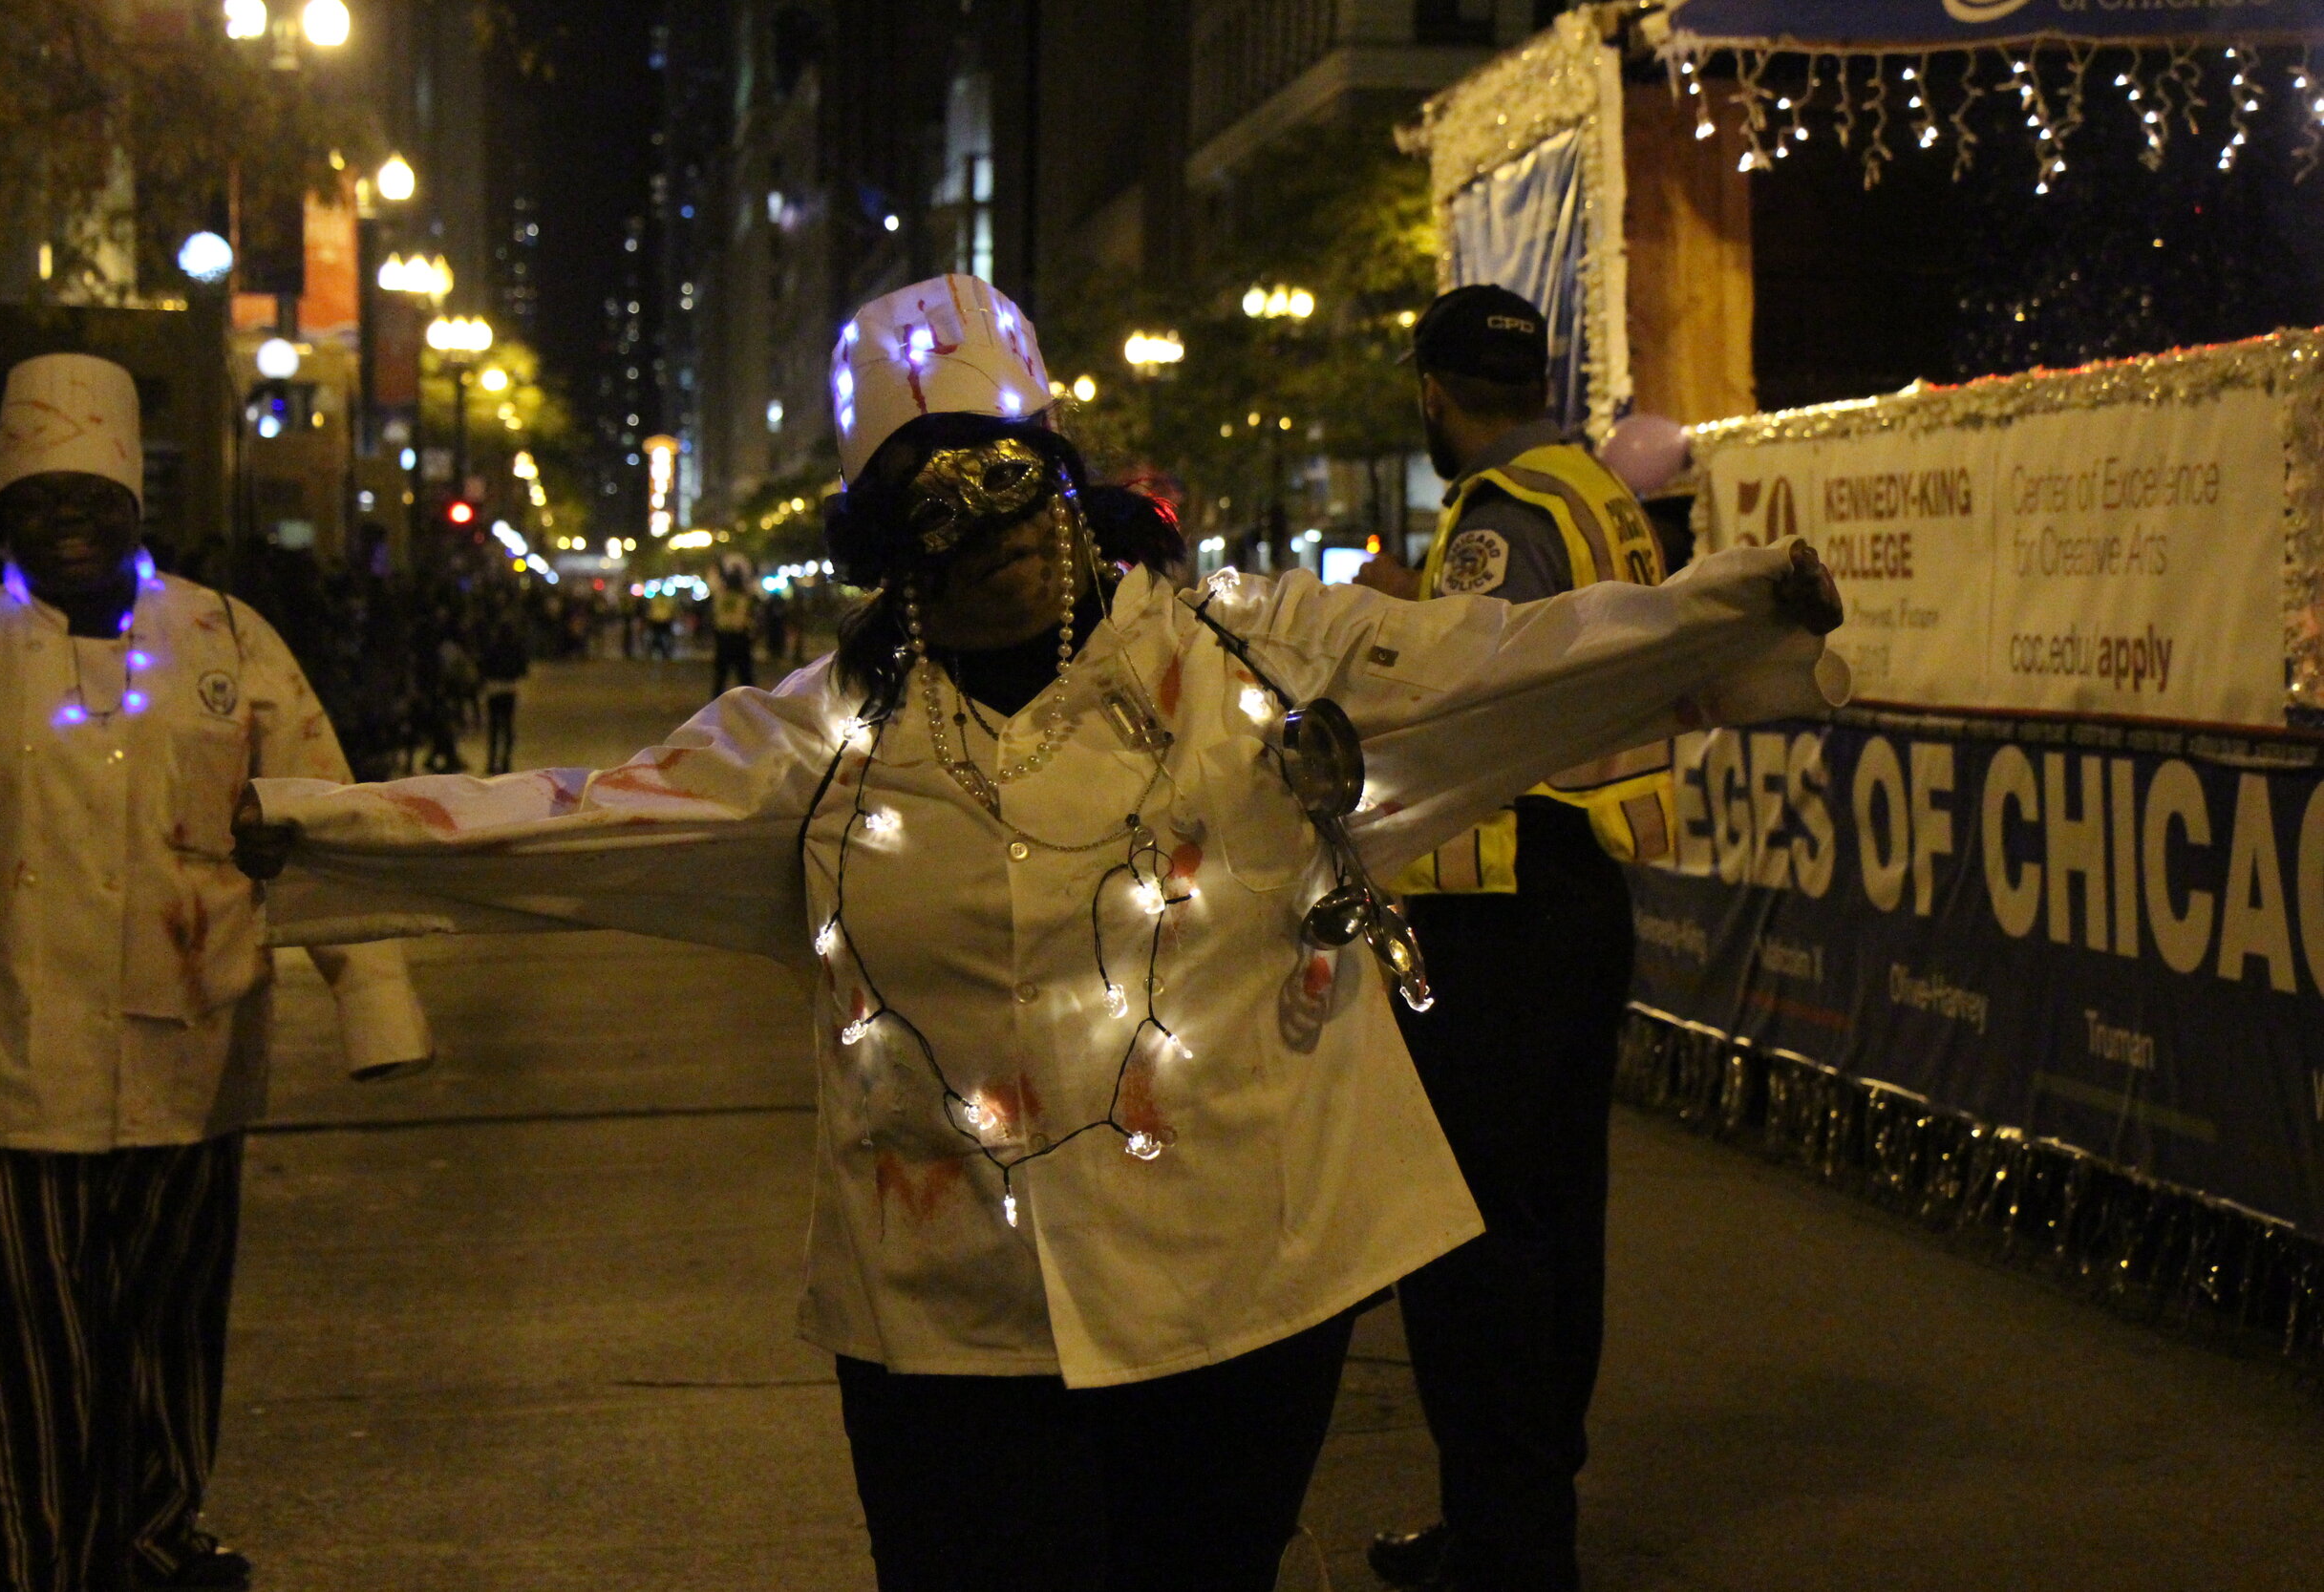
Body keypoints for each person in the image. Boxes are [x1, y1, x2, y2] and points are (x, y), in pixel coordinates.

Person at [230, 277, 1844, 1592]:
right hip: (944, 1310)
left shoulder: (1257, 662)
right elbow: (572, 818)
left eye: (1009, 480)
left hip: (1235, 1287)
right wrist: (312, 831)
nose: (986, 527)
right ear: (886, 541)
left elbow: (1506, 660)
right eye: (931, 501)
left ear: (1066, 481)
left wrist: (1746, 609)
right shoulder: (821, 744)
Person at [0, 354, 435, 1592]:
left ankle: (156, 1539)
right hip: (6, 1054)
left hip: (192, 1047)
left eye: (92, 498)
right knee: (17, 1342)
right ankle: (23, 1556)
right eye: (40, 500)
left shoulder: (225, 634)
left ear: (134, 506)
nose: (69, 521)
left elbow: (323, 814)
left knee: (162, 1329)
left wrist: (373, 997)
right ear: (1, 512)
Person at [1354, 287, 1674, 1592]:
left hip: (1497, 900)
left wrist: (1393, 620)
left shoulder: (1498, 519)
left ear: (1434, 389)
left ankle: (1506, 1540)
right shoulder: (1594, 492)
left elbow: (1470, 691)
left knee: (1470, 1231)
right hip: (1584, 896)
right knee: (1555, 1214)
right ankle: (1521, 1514)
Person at [480, 601, 531, 774]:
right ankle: (506, 762)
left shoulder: (491, 648)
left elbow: (483, 666)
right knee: (507, 727)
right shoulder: (515, 647)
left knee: (494, 727)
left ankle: (491, 761)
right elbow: (523, 669)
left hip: (493, 690)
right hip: (509, 689)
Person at [711, 558, 757, 696]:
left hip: (723, 636)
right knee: (745, 674)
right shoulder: (745, 597)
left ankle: (716, 702)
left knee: (721, 675)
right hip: (740, 636)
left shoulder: (719, 596)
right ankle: (750, 701)